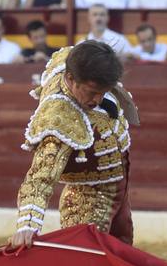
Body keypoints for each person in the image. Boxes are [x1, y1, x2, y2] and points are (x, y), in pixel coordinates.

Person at [10, 41, 136, 248]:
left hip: (118, 185)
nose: (98, 99)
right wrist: (27, 225)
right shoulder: (60, 117)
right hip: (87, 200)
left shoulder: (75, 62)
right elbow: (40, 177)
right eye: (92, 91)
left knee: (122, 255)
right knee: (88, 263)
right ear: (70, 79)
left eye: (104, 91)